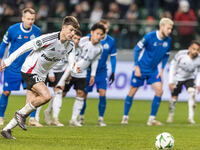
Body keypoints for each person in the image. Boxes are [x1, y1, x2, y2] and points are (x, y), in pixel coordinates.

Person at [0, 16, 79, 139]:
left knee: (29, 106)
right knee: (47, 96)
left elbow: (72, 61)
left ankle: (7, 129)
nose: (72, 33)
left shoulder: (70, 46)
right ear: (63, 28)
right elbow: (26, 46)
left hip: (42, 74)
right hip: (30, 70)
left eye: (74, 31)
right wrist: (8, 60)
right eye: (70, 30)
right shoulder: (50, 38)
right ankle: (19, 115)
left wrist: (75, 68)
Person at [121, 17, 174, 126]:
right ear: (161, 27)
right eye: (168, 28)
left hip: (154, 71)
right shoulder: (149, 37)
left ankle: (152, 119)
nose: (170, 31)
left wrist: (162, 70)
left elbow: (166, 56)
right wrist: (136, 67)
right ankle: (125, 117)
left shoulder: (168, 40)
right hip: (141, 68)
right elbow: (136, 49)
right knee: (132, 92)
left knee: (159, 91)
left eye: (171, 29)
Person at [55, 23, 105, 126]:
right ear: (92, 33)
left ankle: (74, 119)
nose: (99, 36)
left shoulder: (100, 48)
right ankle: (51, 114)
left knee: (81, 94)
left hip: (82, 73)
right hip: (70, 71)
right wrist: (67, 71)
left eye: (101, 34)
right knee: (61, 93)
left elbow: (95, 61)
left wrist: (93, 75)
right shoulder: (82, 41)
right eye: (97, 33)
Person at [0, 8, 41, 126]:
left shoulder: (37, 31)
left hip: (29, 68)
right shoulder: (13, 30)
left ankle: (32, 119)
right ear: (23, 18)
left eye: (32, 19)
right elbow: (3, 44)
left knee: (33, 92)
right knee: (6, 92)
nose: (30, 21)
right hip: (13, 67)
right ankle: (1, 117)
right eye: (28, 19)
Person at [79, 19, 117, 126]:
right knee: (84, 94)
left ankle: (100, 118)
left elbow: (113, 57)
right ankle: (81, 117)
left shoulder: (111, 41)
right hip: (87, 70)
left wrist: (113, 71)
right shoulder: (88, 38)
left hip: (102, 71)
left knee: (103, 93)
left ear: (107, 30)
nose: (102, 32)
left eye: (105, 28)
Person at [43, 30, 82, 126]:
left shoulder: (77, 50)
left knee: (59, 92)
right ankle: (34, 118)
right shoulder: (59, 43)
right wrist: (50, 73)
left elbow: (70, 64)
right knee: (40, 94)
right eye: (75, 38)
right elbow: (48, 58)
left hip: (60, 71)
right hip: (47, 69)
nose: (76, 41)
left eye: (78, 39)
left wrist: (65, 77)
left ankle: (54, 118)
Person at [167, 41, 200, 124]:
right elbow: (172, 66)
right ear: (189, 48)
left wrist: (198, 84)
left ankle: (191, 118)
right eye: (194, 49)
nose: (195, 51)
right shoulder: (181, 54)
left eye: (198, 50)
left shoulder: (199, 59)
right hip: (177, 78)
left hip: (189, 78)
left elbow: (199, 72)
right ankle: (171, 115)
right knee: (173, 99)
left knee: (192, 93)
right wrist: (171, 81)